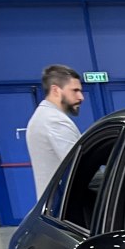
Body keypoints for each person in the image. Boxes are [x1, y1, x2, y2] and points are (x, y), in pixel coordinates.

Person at [26, 64, 84, 196]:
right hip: (62, 204)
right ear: (56, 90)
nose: (81, 97)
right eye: (75, 91)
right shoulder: (54, 121)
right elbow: (80, 167)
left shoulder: (43, 116)